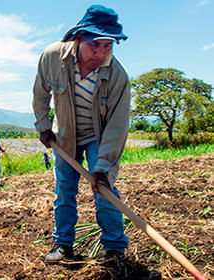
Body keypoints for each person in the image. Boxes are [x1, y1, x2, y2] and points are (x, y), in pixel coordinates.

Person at [32, 5, 130, 263]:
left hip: (99, 137)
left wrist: (103, 166)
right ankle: (63, 244)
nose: (100, 53)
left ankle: (114, 249)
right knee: (64, 189)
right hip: (64, 136)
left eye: (108, 46)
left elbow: (118, 126)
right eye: (94, 45)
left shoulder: (118, 76)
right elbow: (40, 94)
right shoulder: (52, 57)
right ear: (79, 38)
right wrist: (43, 126)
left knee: (105, 190)